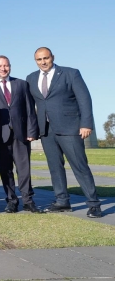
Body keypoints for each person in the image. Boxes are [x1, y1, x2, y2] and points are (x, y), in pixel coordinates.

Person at [26, 47, 102, 218]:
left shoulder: (70, 73)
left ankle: (94, 204)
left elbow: (84, 99)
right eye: (39, 59)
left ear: (52, 57)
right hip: (46, 131)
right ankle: (62, 201)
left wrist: (86, 124)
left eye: (46, 58)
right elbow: (30, 106)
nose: (43, 62)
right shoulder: (31, 78)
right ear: (35, 61)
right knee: (55, 168)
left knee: (80, 167)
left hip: (70, 128)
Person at [0, 56, 40, 214]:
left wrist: (32, 131)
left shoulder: (21, 84)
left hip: (21, 134)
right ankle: (11, 201)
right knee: (5, 170)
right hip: (1, 135)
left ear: (10, 67)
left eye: (6, 66)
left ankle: (28, 201)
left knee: (24, 169)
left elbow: (29, 109)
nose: (3, 69)